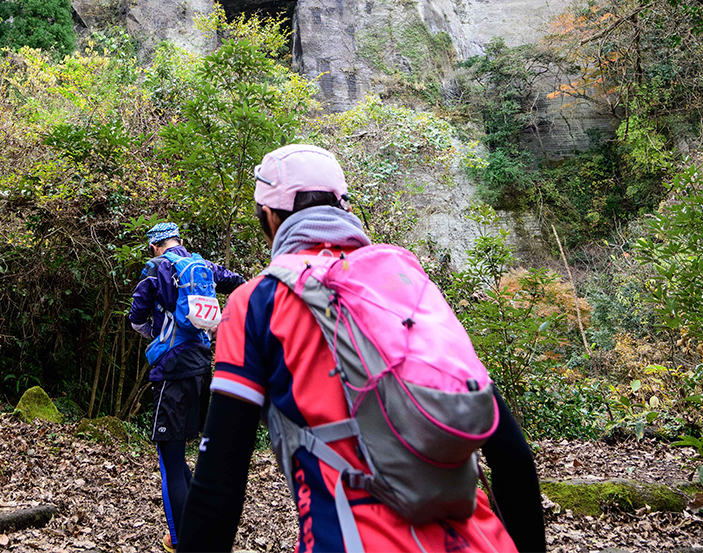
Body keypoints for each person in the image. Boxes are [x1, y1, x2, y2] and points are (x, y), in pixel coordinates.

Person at [177, 144, 547, 553]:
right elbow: (512, 456)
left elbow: (217, 489)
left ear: (268, 217)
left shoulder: (257, 302)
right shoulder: (403, 281)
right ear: (343, 206)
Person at [129, 221, 245, 553]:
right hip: (201, 366)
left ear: (154, 246)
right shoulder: (203, 266)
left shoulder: (155, 268)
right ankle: (202, 527)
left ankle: (181, 541)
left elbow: (137, 318)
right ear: (180, 241)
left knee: (169, 459)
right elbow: (239, 284)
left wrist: (156, 334)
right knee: (176, 453)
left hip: (171, 369)